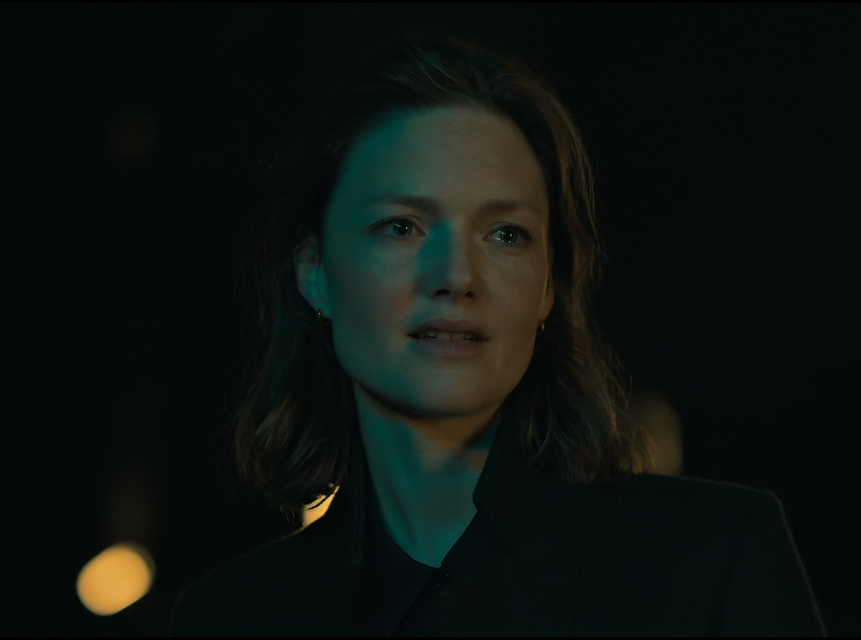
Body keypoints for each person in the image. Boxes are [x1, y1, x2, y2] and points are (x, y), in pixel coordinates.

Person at [170, 37, 824, 637]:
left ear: (547, 289)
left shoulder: (712, 561)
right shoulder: (229, 619)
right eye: (401, 227)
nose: (456, 276)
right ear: (315, 273)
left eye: (506, 234)